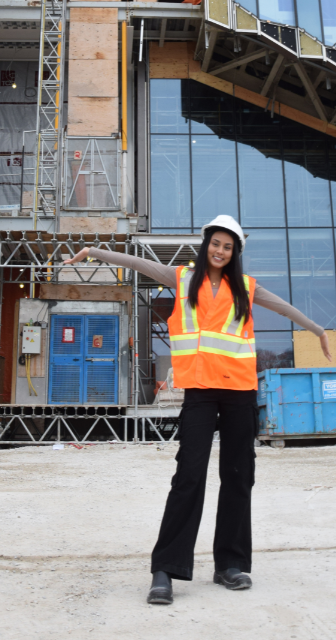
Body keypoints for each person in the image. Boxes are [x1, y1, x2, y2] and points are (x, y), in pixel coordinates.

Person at [63, 215, 332, 606]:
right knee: (189, 475)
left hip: (240, 391)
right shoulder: (183, 277)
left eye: (228, 246)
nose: (220, 251)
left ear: (235, 252)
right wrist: (93, 252)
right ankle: (166, 569)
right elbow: (137, 262)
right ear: (206, 244)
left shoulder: (246, 287)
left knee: (239, 477)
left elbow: (285, 307)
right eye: (215, 243)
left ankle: (230, 564)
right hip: (201, 392)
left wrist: (318, 330)